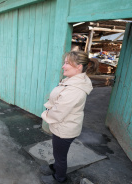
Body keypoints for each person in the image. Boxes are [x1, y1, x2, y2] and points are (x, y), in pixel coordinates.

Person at [40, 51, 98, 183]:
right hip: (63, 125)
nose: (63, 66)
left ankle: (59, 178)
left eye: (67, 63)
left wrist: (45, 113)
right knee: (58, 153)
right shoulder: (73, 81)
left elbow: (59, 112)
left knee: (60, 156)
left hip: (65, 129)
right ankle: (55, 168)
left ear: (78, 67)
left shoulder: (75, 89)